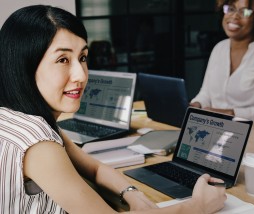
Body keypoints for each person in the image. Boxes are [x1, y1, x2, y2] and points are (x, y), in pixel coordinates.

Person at [0, 5, 226, 214]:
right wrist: (198, 206)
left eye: (82, 57)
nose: (81, 75)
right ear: (24, 66)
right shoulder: (38, 143)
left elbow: (96, 169)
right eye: (63, 60)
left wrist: (132, 195)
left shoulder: (18, 118)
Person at [190, 0, 254, 126]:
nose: (234, 16)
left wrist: (234, 113)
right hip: (214, 130)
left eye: (245, 11)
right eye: (230, 9)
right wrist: (197, 104)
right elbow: (206, 93)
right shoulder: (219, 48)